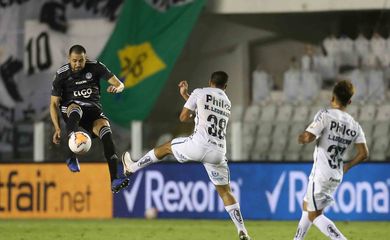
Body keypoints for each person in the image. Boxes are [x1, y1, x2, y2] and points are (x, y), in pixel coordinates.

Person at [121, 71, 252, 240]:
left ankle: (132, 167)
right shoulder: (227, 102)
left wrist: (186, 97)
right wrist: (187, 97)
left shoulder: (200, 92)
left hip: (198, 145)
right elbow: (204, 113)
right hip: (218, 152)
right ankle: (242, 231)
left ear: (209, 81)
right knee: (226, 192)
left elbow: (184, 117)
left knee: (166, 148)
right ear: (225, 87)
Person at [293, 80, 369, 240]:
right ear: (349, 101)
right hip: (336, 174)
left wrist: (302, 138)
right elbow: (364, 153)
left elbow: (309, 137)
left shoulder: (325, 115)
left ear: (332, 97)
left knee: (314, 215)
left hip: (321, 174)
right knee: (307, 206)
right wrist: (347, 166)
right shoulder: (355, 125)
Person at [49, 44, 129, 193]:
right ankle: (71, 155)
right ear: (69, 59)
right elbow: (53, 104)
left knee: (106, 133)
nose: (78, 64)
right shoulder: (62, 75)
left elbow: (120, 84)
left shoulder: (96, 67)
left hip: (93, 111)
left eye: (81, 60)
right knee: (76, 108)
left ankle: (114, 180)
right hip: (71, 110)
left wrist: (117, 88)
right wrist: (57, 128)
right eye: (74, 61)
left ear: (86, 59)